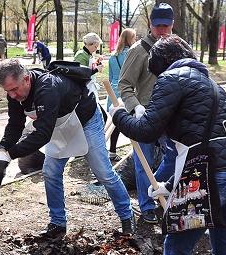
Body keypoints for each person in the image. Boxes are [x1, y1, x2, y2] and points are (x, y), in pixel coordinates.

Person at [111, 34, 226, 255]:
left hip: (209, 177)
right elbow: (201, 141)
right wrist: (168, 185)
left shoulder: (172, 78)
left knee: (176, 248)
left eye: (156, 73)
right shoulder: (211, 83)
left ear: (162, 65)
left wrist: (118, 115)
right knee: (225, 248)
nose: (158, 79)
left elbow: (146, 131)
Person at [0, 59, 134, 240]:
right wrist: (3, 148)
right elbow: (15, 124)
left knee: (103, 171)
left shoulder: (47, 88)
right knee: (51, 171)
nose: (12, 95)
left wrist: (10, 154)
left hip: (86, 121)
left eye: (14, 89)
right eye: (8, 91)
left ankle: (126, 215)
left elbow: (43, 134)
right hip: (59, 126)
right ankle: (58, 223)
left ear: (26, 79)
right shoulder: (15, 94)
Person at [117, 2, 177, 224]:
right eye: (157, 25)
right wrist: (135, 107)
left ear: (173, 24)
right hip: (145, 115)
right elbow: (124, 85)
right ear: (150, 23)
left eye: (166, 25)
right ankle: (147, 205)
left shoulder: (176, 46)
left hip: (171, 115)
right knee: (144, 162)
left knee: (173, 157)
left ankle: (158, 189)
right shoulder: (138, 50)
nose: (161, 30)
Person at [106, 28, 136, 161]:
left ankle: (112, 150)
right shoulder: (131, 54)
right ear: (130, 39)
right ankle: (137, 151)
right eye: (134, 37)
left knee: (116, 123)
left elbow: (111, 76)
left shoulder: (113, 56)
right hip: (126, 92)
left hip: (112, 92)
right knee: (133, 122)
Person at [74, 32, 104, 100]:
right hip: (84, 89)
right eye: (95, 46)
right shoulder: (81, 55)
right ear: (89, 45)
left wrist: (98, 62)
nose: (96, 49)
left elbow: (90, 67)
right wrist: (96, 69)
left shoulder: (89, 54)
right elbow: (81, 73)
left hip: (91, 86)